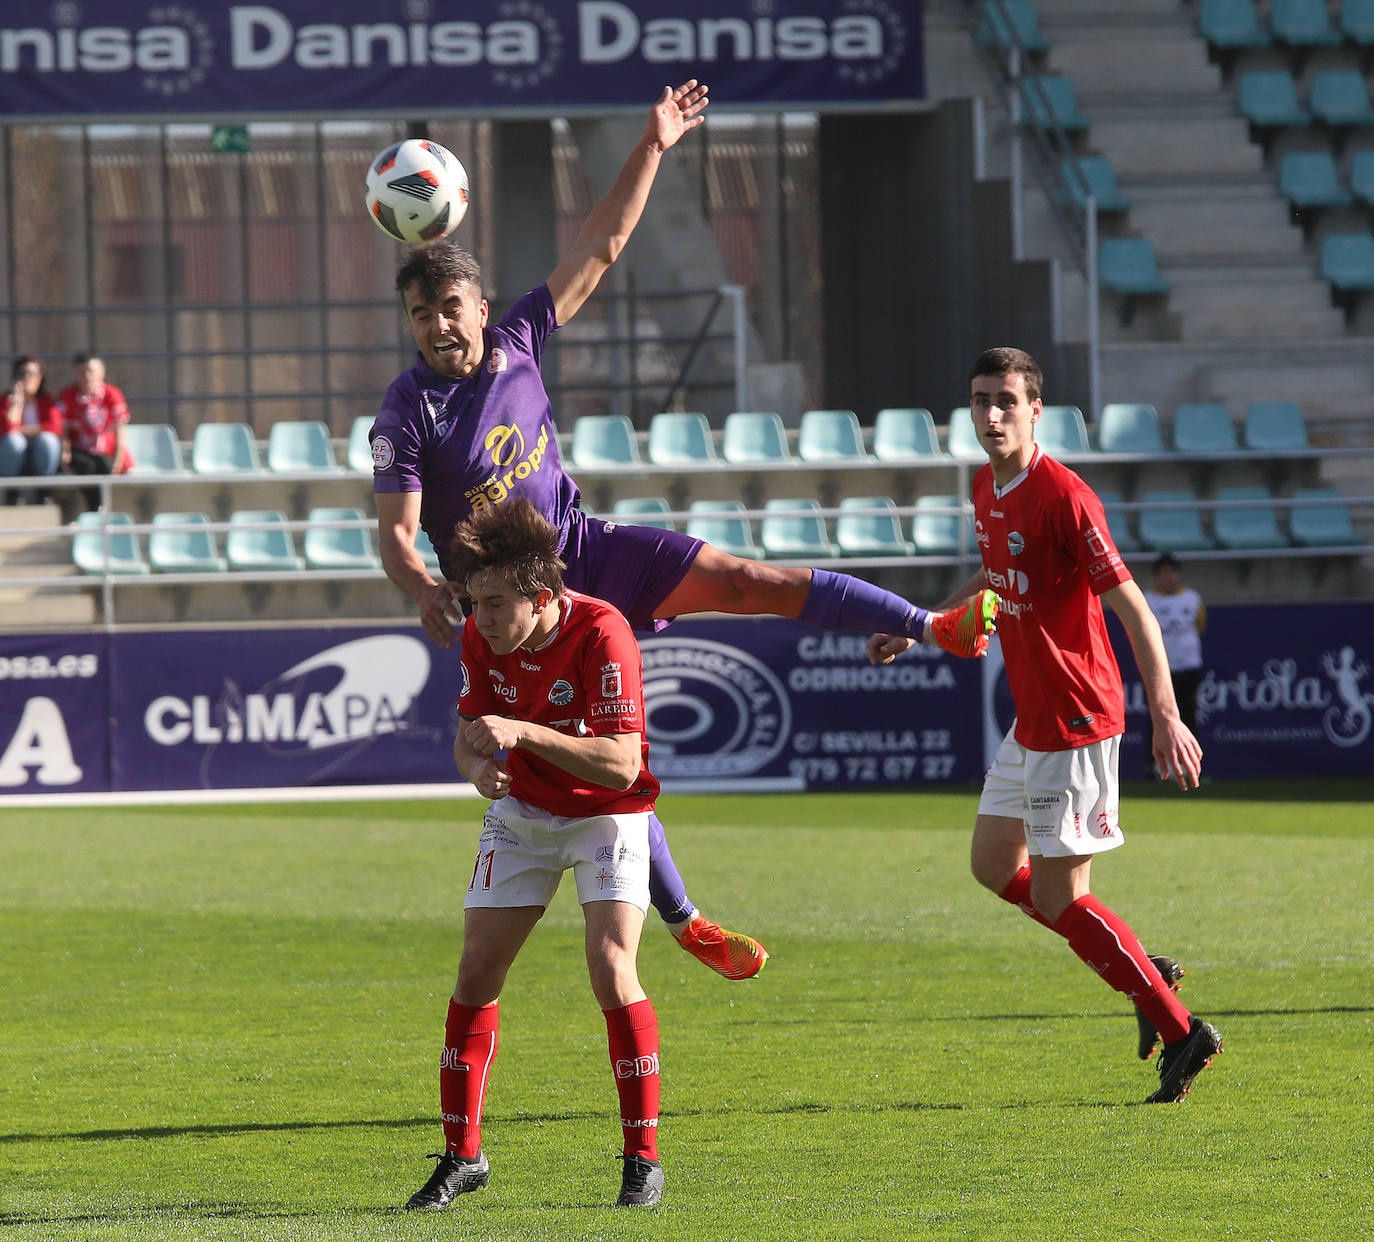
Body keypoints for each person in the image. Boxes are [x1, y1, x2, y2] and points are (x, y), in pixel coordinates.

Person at [370, 81, 998, 982]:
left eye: (450, 310)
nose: (438, 327)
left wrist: (655, 143)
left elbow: (606, 242)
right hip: (514, 609)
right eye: (421, 315)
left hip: (580, 550)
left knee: (745, 578)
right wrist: (429, 589)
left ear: (480, 306)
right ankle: (689, 921)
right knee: (594, 769)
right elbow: (394, 535)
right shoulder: (405, 410)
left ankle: (928, 624)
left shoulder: (518, 340)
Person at [868, 348, 1221, 1104]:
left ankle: (1182, 1026)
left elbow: (1133, 608)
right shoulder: (986, 486)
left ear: (1036, 410)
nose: (991, 414)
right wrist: (921, 623)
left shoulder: (1065, 495)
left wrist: (1165, 713)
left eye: (1005, 401)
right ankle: (1135, 966)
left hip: (1077, 718)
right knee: (993, 866)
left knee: (1064, 897)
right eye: (979, 400)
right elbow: (996, 576)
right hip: (1032, 720)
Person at [404, 498, 667, 1211]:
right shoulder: (480, 640)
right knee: (475, 970)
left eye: (494, 603)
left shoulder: (603, 632)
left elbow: (618, 765)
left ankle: (641, 1158)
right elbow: (468, 738)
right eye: (471, 601)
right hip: (523, 813)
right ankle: (462, 1155)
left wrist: (522, 732)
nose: (481, 618)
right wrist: (475, 770)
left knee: (613, 970)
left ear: (542, 597)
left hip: (607, 815)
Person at [57, 352, 133, 512]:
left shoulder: (113, 394)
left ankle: (100, 510)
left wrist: (118, 460)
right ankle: (96, 509)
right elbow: (64, 430)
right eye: (81, 371)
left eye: (90, 371)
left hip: (106, 450)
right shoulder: (68, 395)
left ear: (101, 372)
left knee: (105, 466)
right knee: (86, 467)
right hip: (81, 451)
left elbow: (120, 430)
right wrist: (65, 455)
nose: (86, 376)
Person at [1143, 552, 1206, 743]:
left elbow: (1200, 625)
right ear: (1156, 576)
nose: (1167, 578)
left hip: (1189, 665)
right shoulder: (1147, 599)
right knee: (1158, 716)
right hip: (1160, 668)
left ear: (1178, 574)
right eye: (1163, 573)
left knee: (1188, 714)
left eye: (1171, 573)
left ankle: (1192, 767)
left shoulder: (1192, 598)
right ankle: (1155, 767)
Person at [1, 355, 64, 503]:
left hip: (39, 458)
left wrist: (23, 430)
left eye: (33, 374)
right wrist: (17, 401)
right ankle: (12, 492)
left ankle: (44, 491)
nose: (27, 378)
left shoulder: (46, 400)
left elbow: (54, 427)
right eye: (23, 374)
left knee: (48, 440)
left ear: (40, 378)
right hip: (11, 461)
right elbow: (8, 429)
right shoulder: (5, 400)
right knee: (14, 442)